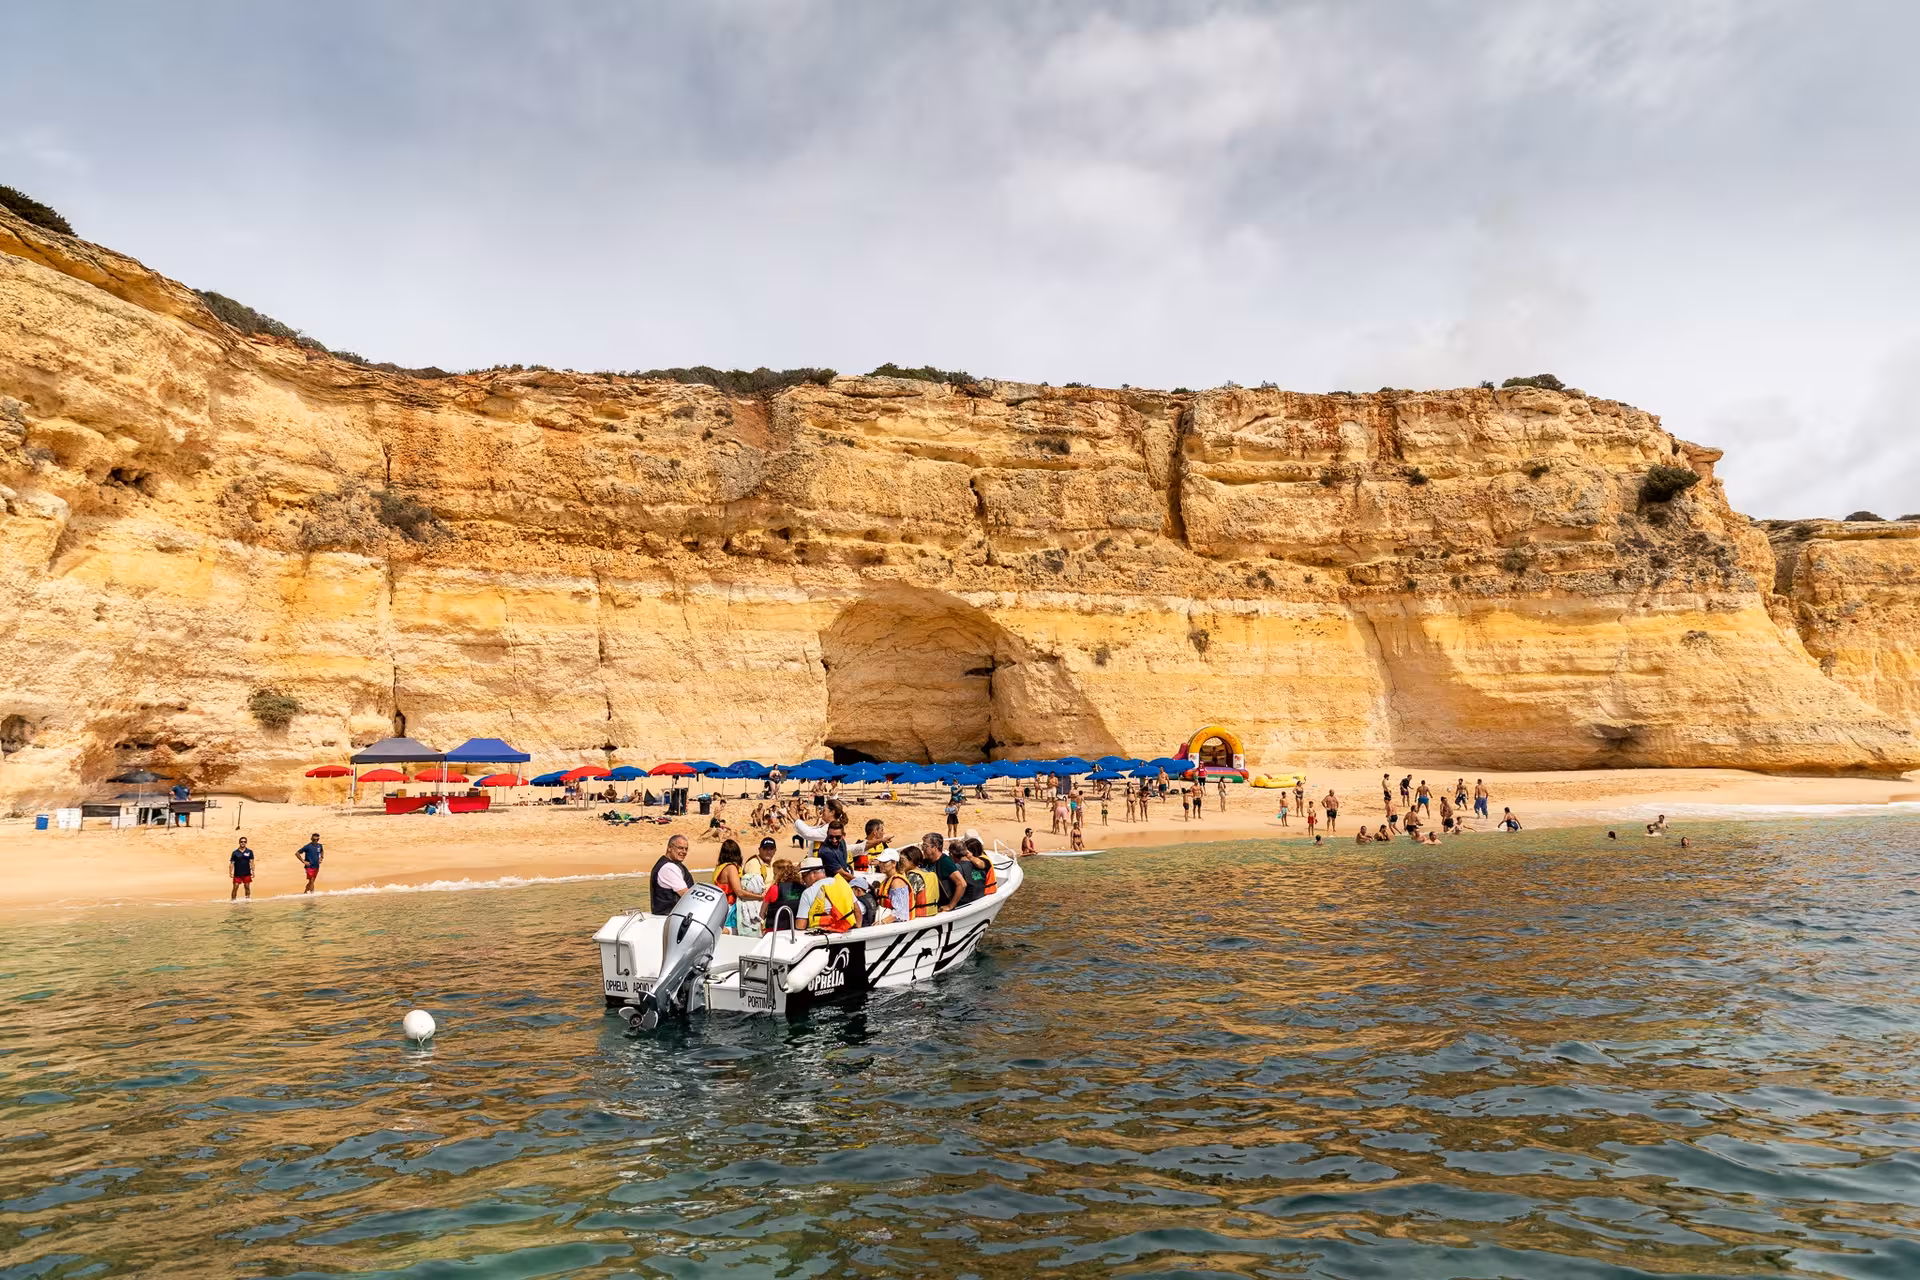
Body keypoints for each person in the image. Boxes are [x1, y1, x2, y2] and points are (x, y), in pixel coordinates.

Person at [923, 832, 968, 912]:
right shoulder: (927, 861)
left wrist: (950, 906)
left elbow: (962, 884)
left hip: (943, 908)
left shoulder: (945, 862)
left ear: (935, 847)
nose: (923, 849)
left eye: (925, 846)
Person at [650, 834, 692, 914]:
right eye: (680, 848)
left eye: (686, 849)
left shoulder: (671, 864)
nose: (684, 852)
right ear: (669, 848)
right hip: (669, 916)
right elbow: (685, 894)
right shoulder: (669, 868)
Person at [713, 839, 746, 933]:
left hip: (720, 906)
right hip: (729, 907)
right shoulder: (731, 868)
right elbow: (738, 892)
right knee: (732, 930)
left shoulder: (719, 867)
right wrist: (760, 897)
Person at [763, 859, 804, 932]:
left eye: (775, 874)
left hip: (775, 930)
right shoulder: (803, 888)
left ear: (780, 873)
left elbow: (762, 913)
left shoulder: (774, 889)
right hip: (796, 929)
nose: (773, 877)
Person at [876, 851, 912, 923]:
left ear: (894, 863)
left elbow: (900, 912)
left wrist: (882, 922)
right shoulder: (888, 880)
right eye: (880, 862)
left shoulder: (897, 882)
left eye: (884, 862)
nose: (880, 864)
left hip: (896, 925)